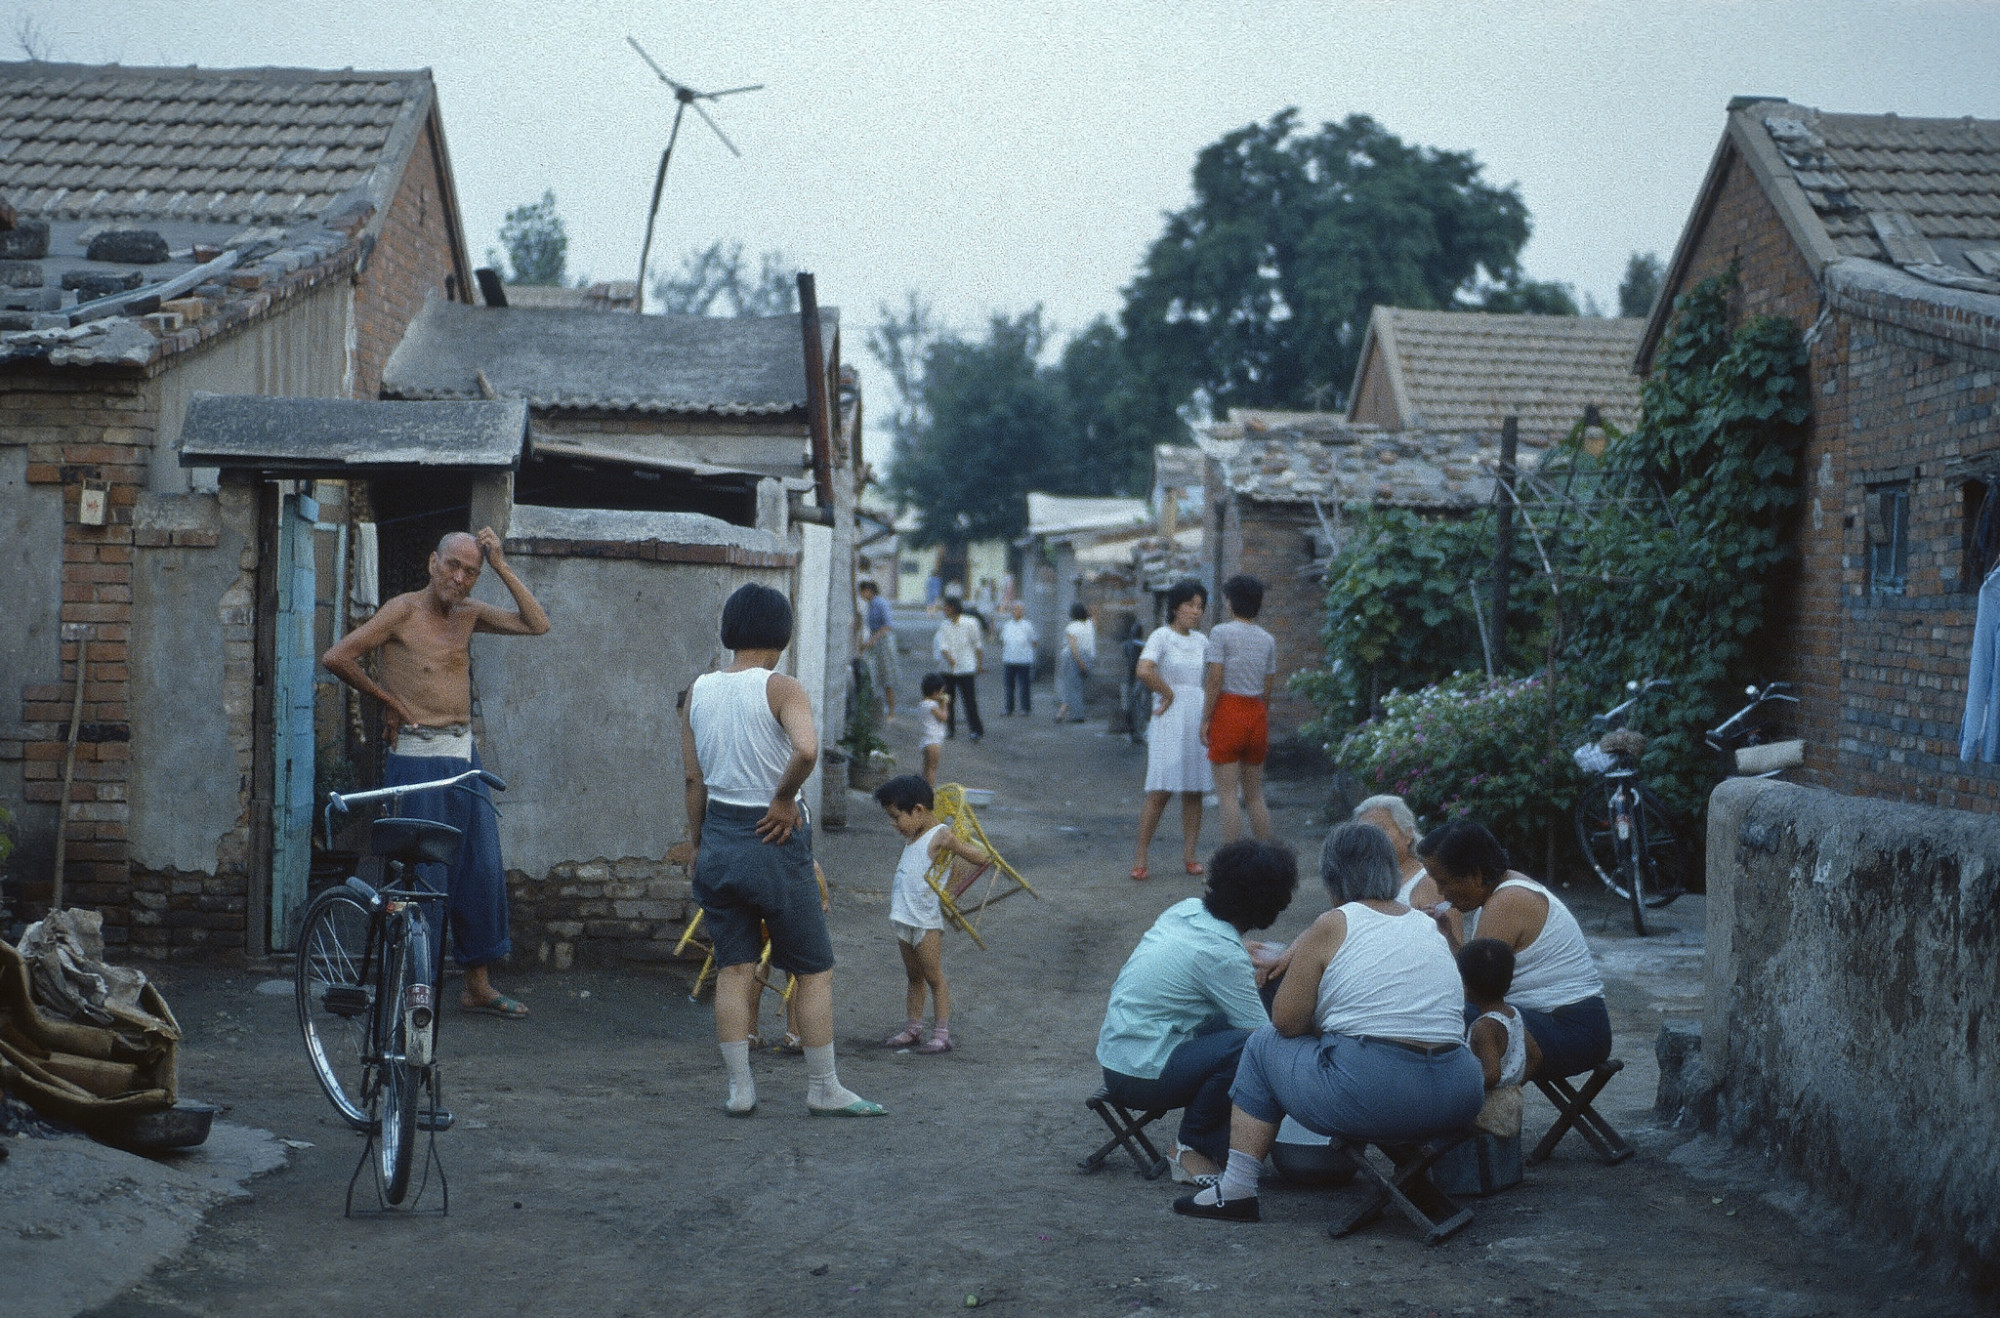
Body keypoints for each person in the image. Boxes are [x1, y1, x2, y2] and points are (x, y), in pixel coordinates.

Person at [1174, 823, 1484, 1222]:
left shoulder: (1333, 923)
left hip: (1377, 1094)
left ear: (1332, 879)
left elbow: (1286, 1023)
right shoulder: (1427, 926)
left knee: (1262, 1044)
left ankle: (1236, 1188)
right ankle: (1416, 1182)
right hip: (1459, 1092)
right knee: (1366, 1051)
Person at [321, 527, 549, 1021]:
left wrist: (502, 565)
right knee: (421, 876)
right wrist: (390, 701)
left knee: (480, 870)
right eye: (453, 566)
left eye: (471, 572)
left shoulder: (467, 615)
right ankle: (413, 988)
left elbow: (537, 624)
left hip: (464, 761)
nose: (460, 579)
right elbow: (337, 656)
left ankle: (478, 986)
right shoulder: (402, 611)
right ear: (432, 563)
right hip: (416, 761)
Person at [679, 583, 884, 1118]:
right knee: (812, 970)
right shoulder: (782, 688)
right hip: (773, 839)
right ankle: (823, 1086)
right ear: (783, 634)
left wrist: (698, 844)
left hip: (719, 838)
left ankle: (740, 1089)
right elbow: (808, 749)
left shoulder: (698, 690)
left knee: (734, 968)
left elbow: (693, 780)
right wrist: (784, 796)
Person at [1097, 840, 1298, 1183]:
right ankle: (1192, 1147)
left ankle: (1201, 1142)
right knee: (1250, 1047)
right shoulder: (1221, 955)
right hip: (1141, 1074)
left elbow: (1206, 958)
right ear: (1270, 904)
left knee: (1251, 1020)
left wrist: (1240, 952)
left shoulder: (1186, 910)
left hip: (1122, 1054)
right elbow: (1264, 1040)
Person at [1419, 818, 1610, 1082]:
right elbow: (1474, 975)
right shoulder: (1503, 893)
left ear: (1475, 875)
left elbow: (1468, 989)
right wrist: (1448, 936)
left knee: (1439, 1018)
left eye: (1444, 882)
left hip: (1572, 1031)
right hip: (1565, 1025)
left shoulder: (1507, 901)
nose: (1441, 893)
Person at [874, 774, 993, 1056]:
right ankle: (913, 1028)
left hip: (925, 921)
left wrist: (956, 845)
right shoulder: (914, 833)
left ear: (918, 810)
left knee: (934, 976)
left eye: (896, 816)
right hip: (904, 918)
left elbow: (980, 859)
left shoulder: (940, 834)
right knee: (913, 976)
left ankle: (941, 1034)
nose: (894, 824)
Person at [1132, 579, 1213, 880]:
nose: (1195, 611)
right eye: (1190, 604)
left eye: (1200, 606)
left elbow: (1215, 677)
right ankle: (1141, 857)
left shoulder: (1203, 642)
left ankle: (1190, 856)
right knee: (1160, 789)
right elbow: (1144, 669)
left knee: (1194, 790)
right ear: (1176, 606)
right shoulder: (1161, 637)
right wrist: (1167, 693)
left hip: (1196, 715)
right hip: (1168, 716)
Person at [1201, 574, 1277, 843]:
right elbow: (1268, 688)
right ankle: (1266, 857)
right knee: (1255, 794)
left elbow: (1214, 679)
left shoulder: (1220, 632)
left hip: (1228, 710)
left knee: (1228, 794)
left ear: (1231, 601)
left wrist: (1205, 719)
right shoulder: (1267, 640)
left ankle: (1232, 861)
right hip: (1256, 713)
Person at [1459, 938, 1541, 1137]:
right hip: (1511, 1101)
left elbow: (1492, 1074)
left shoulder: (1484, 1026)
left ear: (1467, 987)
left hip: (1486, 1108)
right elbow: (1536, 1056)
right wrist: (1513, 1085)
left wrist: (1464, 1093)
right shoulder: (1513, 1014)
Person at [1351, 795, 1439, 911]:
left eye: (1380, 830)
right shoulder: (1360, 885)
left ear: (1408, 833)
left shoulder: (1430, 883)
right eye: (1364, 834)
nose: (1371, 839)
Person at [932, 594, 984, 742]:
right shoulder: (944, 625)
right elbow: (943, 646)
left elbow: (977, 645)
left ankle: (976, 730)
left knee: (969, 700)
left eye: (946, 607)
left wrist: (979, 664)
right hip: (948, 669)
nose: (944, 610)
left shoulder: (970, 623)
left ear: (953, 608)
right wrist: (949, 658)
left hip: (966, 667)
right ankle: (950, 728)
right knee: (947, 700)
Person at [857, 578, 898, 719]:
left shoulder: (880, 603)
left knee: (887, 677)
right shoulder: (870, 604)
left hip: (883, 641)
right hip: (875, 641)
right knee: (874, 676)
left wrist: (872, 640)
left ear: (868, 591)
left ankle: (892, 712)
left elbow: (887, 625)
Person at [1055, 602, 1095, 723]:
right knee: (1078, 686)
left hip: (1073, 658)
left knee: (1072, 686)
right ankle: (1061, 713)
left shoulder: (1071, 627)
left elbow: (1073, 648)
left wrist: (1080, 662)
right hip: (1089, 656)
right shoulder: (1089, 624)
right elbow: (1094, 615)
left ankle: (1078, 715)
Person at [998, 600, 1038, 716]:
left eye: (1019, 609)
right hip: (1009, 659)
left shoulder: (1028, 625)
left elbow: (1034, 641)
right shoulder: (1007, 625)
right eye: (1014, 609)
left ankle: (1025, 708)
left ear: (1023, 611)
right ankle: (1008, 708)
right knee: (1009, 686)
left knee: (1024, 686)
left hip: (1024, 660)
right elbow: (1002, 641)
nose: (1016, 612)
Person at [916, 673, 950, 783]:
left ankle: (924, 788)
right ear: (935, 693)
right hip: (933, 741)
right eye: (941, 692)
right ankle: (930, 790)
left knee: (927, 768)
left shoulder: (923, 704)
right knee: (932, 768)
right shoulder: (931, 706)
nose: (942, 695)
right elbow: (944, 717)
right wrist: (944, 704)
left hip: (927, 740)